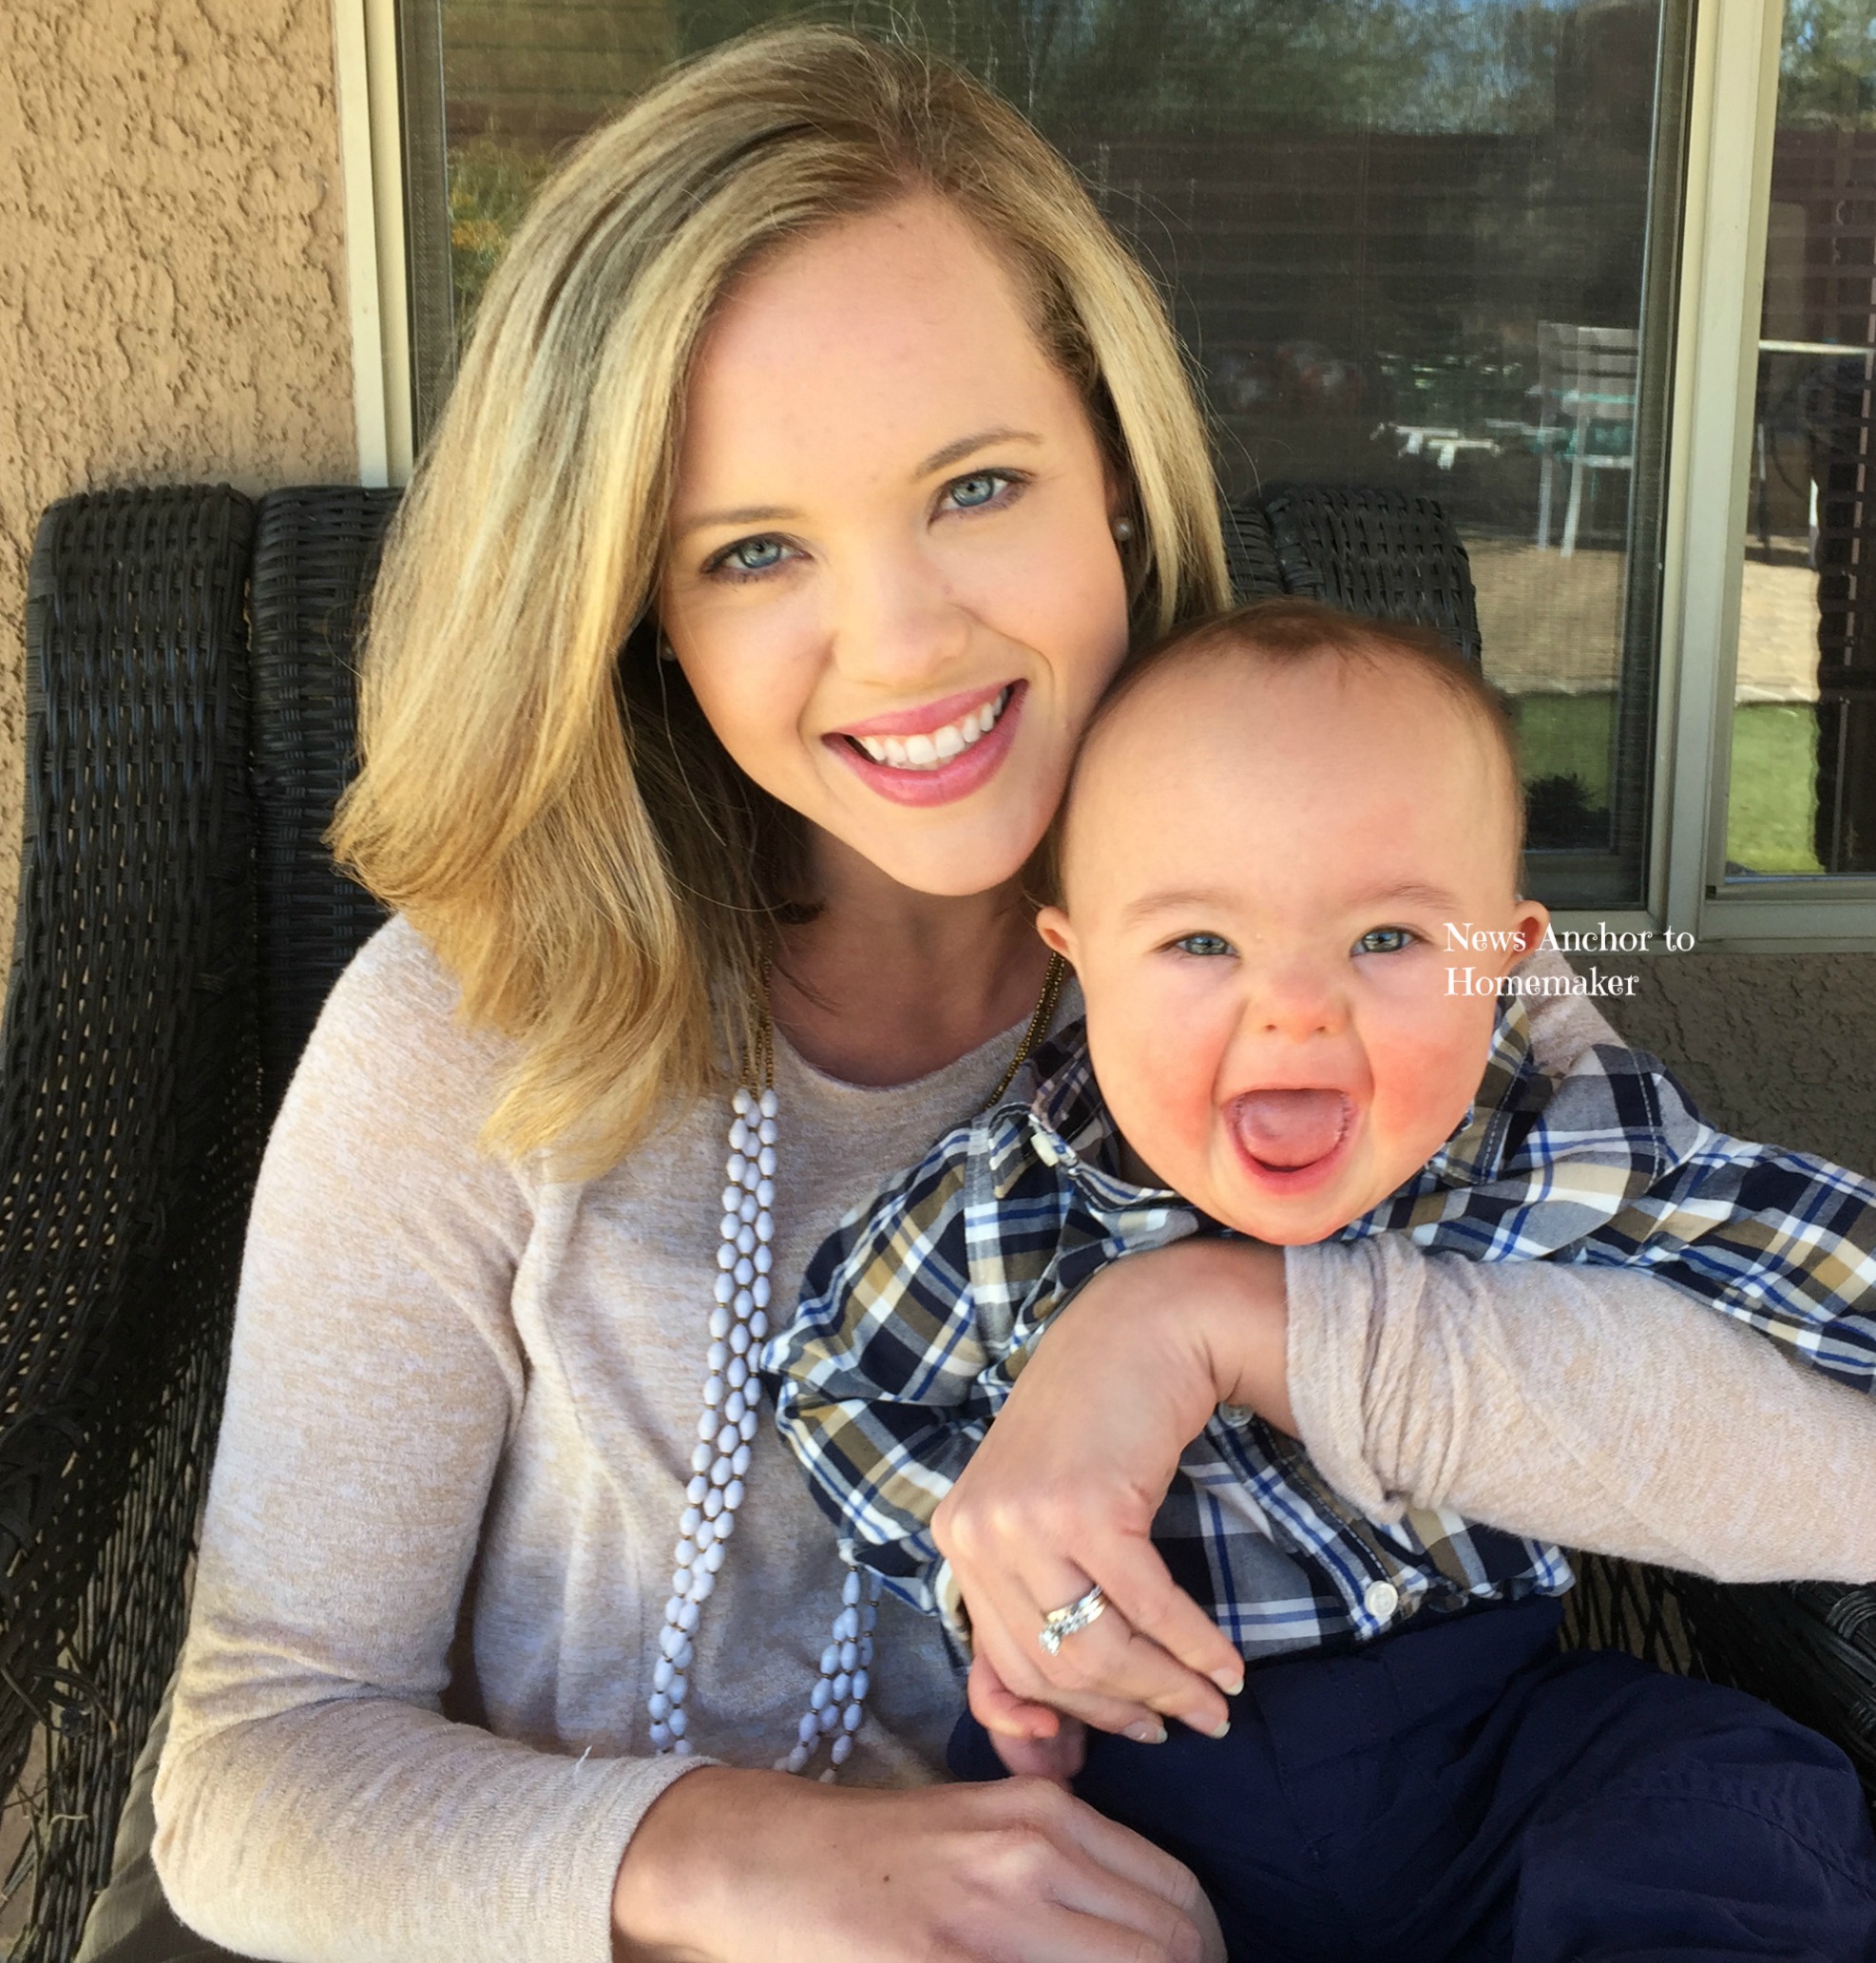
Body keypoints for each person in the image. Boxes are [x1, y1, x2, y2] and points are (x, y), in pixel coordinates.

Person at [99, 25, 1876, 1963]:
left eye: (975, 484)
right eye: (756, 548)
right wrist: (763, 1861)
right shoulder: (475, 1028)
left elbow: (1839, 1479)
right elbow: (253, 1768)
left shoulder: (1363, 950)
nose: (905, 638)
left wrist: (1211, 1320)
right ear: (640, 607)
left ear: (1112, 466)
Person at [771, 598, 1876, 1957]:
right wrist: (981, 1568)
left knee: (1734, 1799)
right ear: (1079, 961)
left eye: (1386, 941)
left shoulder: (1549, 1148)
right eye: (1198, 944)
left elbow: (1811, 1255)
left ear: (1501, 958)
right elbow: (830, 1375)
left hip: (1493, 1745)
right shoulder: (1007, 1209)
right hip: (1131, 1783)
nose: (1293, 1006)